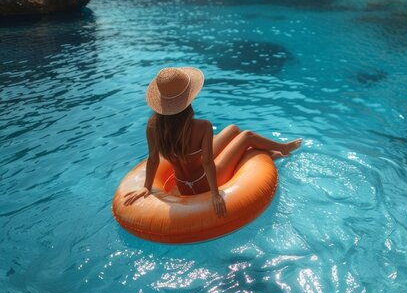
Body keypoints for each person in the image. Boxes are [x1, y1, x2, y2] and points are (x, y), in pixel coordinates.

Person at [122, 67, 301, 216]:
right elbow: (208, 162)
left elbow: (153, 159)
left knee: (232, 130)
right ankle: (282, 149)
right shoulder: (202, 126)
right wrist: (215, 194)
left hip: (183, 186)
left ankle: (274, 154)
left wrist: (147, 187)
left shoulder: (153, 126)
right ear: (188, 98)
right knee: (246, 137)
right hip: (204, 182)